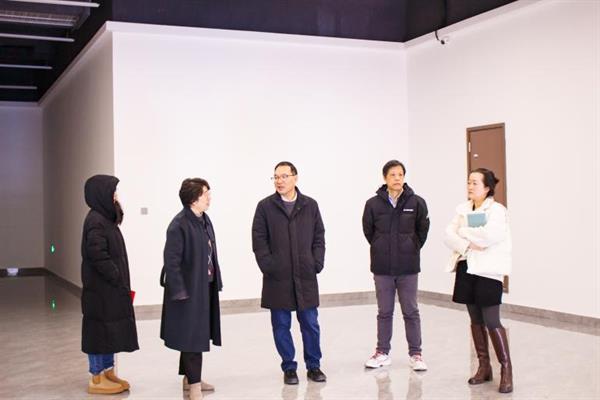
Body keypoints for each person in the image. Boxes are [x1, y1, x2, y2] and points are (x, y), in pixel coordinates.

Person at [252, 161, 327, 385]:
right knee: (281, 325)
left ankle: (314, 366)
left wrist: (316, 262)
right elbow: (259, 240)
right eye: (276, 177)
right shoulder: (265, 207)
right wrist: (269, 266)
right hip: (278, 278)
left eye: (284, 176)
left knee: (310, 324)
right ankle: (289, 367)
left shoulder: (310, 205)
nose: (279, 181)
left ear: (295, 177)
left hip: (305, 275)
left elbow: (319, 236)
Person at [444, 168, 513, 393]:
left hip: (488, 271)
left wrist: (463, 232)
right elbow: (448, 235)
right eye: (469, 182)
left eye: (475, 183)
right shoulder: (462, 209)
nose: (470, 186)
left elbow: (490, 236)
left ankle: (506, 369)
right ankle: (484, 367)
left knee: (492, 320)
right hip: (467, 267)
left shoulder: (497, 210)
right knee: (475, 319)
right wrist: (467, 242)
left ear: (487, 188)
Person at [362, 160, 430, 371]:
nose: (397, 178)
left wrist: (412, 246)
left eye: (400, 174)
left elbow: (422, 230)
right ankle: (382, 353)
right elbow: (368, 231)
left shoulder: (416, 202)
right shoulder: (373, 204)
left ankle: (416, 354)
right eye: (392, 175)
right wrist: (380, 246)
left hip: (408, 267)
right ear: (385, 178)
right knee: (384, 311)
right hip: (382, 267)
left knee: (411, 311)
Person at [160, 178, 223, 400]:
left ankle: (189, 378)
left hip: (204, 287)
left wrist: (216, 280)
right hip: (187, 291)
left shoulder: (204, 219)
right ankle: (194, 385)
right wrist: (179, 291)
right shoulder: (179, 224)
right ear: (193, 198)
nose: (209, 197)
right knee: (192, 337)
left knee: (194, 335)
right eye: (205, 193)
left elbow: (211, 253)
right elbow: (171, 261)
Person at [81, 174, 138, 395]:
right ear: (100, 194)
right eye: (112, 192)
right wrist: (116, 275)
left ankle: (108, 371)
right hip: (100, 289)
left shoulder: (106, 218)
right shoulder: (95, 220)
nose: (115, 196)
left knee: (110, 330)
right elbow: (98, 255)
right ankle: (96, 378)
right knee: (98, 331)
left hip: (110, 289)